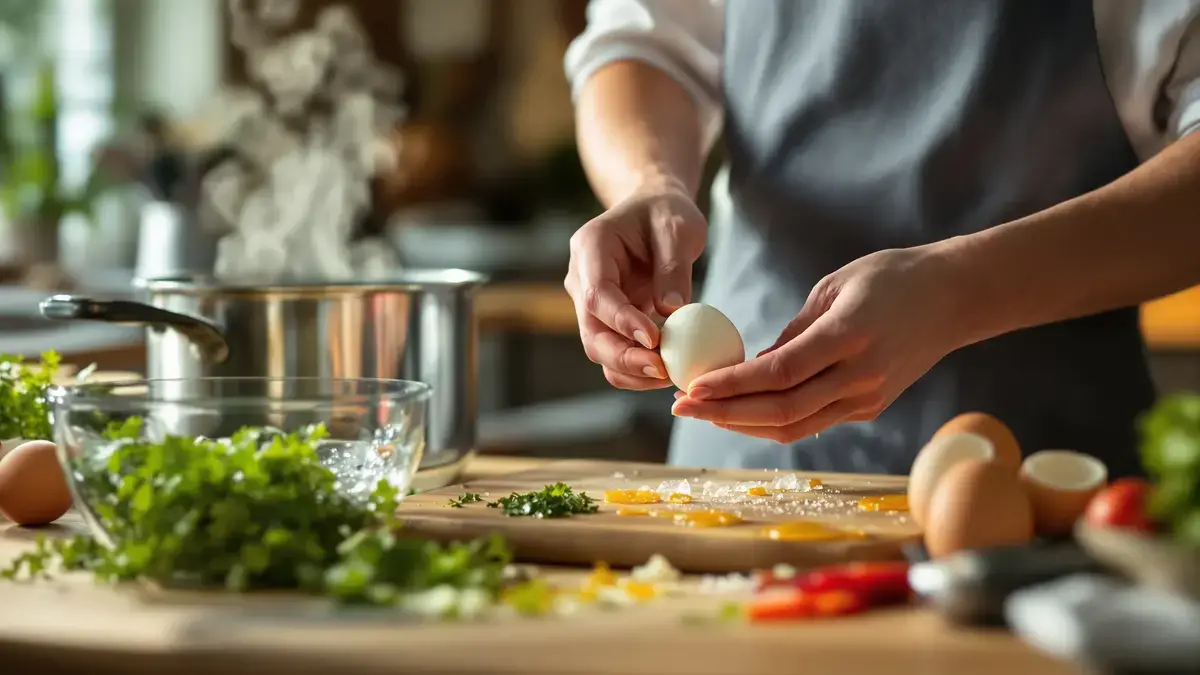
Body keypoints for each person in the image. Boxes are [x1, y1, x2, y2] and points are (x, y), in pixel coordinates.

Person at [561, 0, 1200, 477]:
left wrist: (960, 291)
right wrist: (649, 185)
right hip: (742, 478)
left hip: (1039, 485)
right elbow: (644, 43)